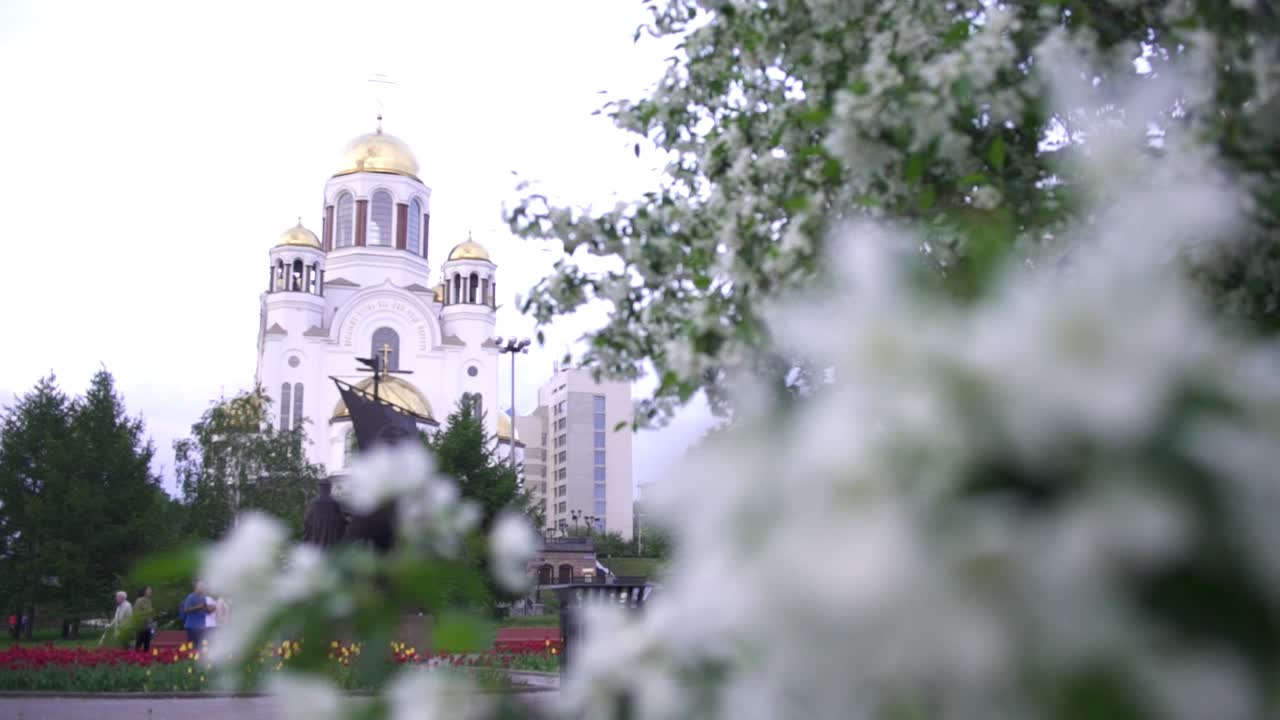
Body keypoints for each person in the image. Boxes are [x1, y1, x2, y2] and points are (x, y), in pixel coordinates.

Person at [181, 581, 212, 647]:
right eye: (201, 586)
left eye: (203, 586)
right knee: (193, 646)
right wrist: (199, 607)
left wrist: (211, 609)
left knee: (201, 646)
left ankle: (199, 657)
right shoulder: (191, 597)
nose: (203, 587)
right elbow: (186, 610)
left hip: (201, 626)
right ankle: (192, 656)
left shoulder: (203, 597)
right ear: (196, 587)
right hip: (192, 626)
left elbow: (207, 611)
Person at [133, 586, 155, 652]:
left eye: (151, 590)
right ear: (144, 592)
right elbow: (136, 614)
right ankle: (135, 659)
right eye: (149, 590)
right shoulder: (139, 600)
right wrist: (148, 612)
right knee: (139, 644)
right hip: (141, 626)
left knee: (147, 644)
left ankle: (145, 659)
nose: (151, 591)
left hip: (148, 626)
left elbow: (150, 614)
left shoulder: (149, 601)